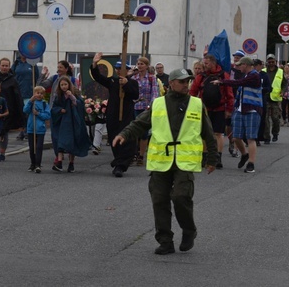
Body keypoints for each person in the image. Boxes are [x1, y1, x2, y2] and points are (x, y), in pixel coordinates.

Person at [113, 68, 217, 255]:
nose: (186, 85)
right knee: (159, 200)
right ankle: (165, 240)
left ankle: (188, 230)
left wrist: (212, 159)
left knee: (180, 197)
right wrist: (124, 134)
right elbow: (141, 123)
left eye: (188, 81)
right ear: (172, 84)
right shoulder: (159, 103)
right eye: (182, 81)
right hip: (161, 160)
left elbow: (208, 132)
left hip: (185, 161)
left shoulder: (196, 104)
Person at [90, 53, 139, 177]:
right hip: (113, 114)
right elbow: (98, 77)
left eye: (121, 68)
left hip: (126, 115)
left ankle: (121, 165)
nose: (118, 70)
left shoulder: (133, 82)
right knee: (114, 138)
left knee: (125, 139)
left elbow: (135, 95)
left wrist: (126, 83)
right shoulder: (112, 81)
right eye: (117, 68)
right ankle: (118, 161)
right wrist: (95, 63)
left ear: (127, 70)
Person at [214, 56, 262, 174]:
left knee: (250, 138)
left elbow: (238, 83)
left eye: (240, 64)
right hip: (240, 109)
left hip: (252, 110)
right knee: (236, 137)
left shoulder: (254, 75)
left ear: (245, 65)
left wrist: (222, 81)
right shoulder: (246, 76)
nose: (238, 66)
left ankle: (251, 163)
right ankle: (244, 154)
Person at [189, 53, 234, 169]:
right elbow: (193, 92)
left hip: (219, 108)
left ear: (213, 63)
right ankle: (204, 157)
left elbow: (229, 93)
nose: (205, 65)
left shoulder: (223, 75)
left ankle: (218, 157)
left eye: (207, 63)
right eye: (204, 63)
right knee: (204, 134)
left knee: (218, 134)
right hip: (204, 109)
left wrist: (229, 109)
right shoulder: (201, 76)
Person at [50, 76, 92, 172]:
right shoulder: (59, 96)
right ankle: (59, 162)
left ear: (69, 84)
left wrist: (72, 97)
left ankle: (71, 163)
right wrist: (60, 110)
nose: (64, 87)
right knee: (60, 142)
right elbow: (54, 108)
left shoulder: (75, 94)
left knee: (71, 143)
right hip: (62, 123)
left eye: (65, 84)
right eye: (62, 85)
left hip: (72, 122)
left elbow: (79, 105)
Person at [129, 56, 160, 165]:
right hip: (135, 107)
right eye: (138, 64)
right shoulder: (133, 78)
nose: (140, 66)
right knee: (134, 130)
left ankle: (141, 155)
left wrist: (151, 106)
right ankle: (134, 152)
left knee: (144, 133)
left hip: (146, 107)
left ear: (146, 66)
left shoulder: (151, 78)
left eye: (142, 64)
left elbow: (155, 93)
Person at [12, 54, 40, 141]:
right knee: (21, 113)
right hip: (18, 92)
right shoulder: (16, 63)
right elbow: (11, 76)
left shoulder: (32, 64)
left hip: (29, 92)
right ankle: (22, 131)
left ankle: (28, 131)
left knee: (28, 113)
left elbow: (37, 77)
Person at [24, 85, 51, 173]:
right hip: (31, 128)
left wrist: (38, 114)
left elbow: (47, 115)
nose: (39, 95)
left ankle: (38, 164)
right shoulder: (31, 102)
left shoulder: (44, 104)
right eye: (37, 93)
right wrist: (30, 102)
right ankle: (32, 163)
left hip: (40, 129)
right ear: (34, 94)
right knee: (32, 147)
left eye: (41, 93)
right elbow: (25, 110)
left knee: (39, 147)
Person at [264, 54, 284, 143]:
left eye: (272, 62)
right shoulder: (263, 71)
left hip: (275, 98)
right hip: (266, 97)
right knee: (265, 118)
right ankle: (266, 137)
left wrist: (283, 90)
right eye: (269, 62)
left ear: (275, 62)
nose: (271, 63)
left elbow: (285, 83)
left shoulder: (280, 71)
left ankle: (275, 133)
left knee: (275, 118)